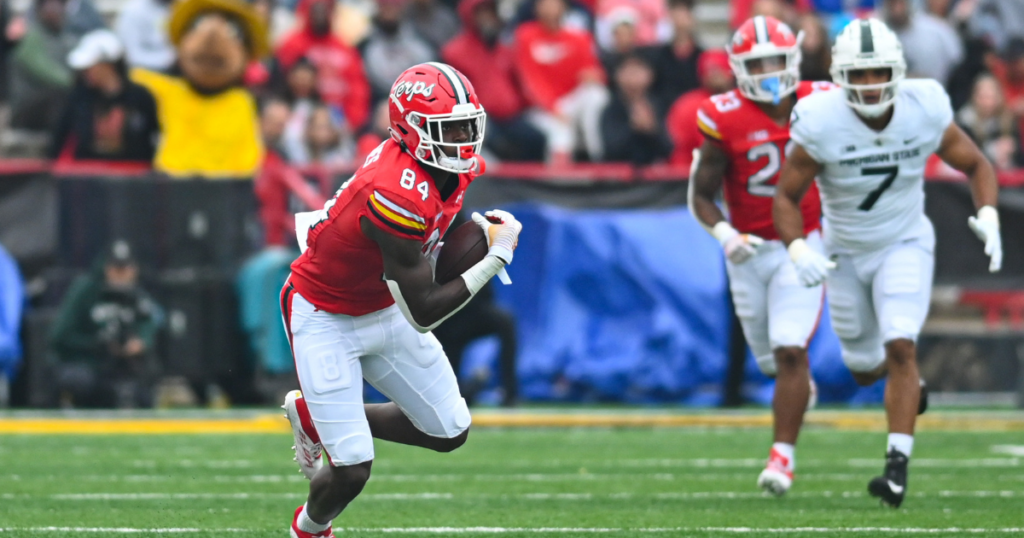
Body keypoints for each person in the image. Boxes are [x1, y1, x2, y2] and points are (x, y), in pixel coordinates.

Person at [280, 62, 522, 538]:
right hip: (326, 309)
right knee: (351, 469)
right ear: (410, 130)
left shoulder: (448, 166)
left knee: (449, 430)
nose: (463, 140)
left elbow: (433, 233)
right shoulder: (393, 192)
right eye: (449, 128)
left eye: (467, 125)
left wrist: (473, 234)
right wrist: (495, 256)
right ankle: (309, 529)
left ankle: (314, 413)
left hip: (381, 299)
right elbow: (425, 310)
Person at [773, 18, 1003, 508]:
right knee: (861, 367)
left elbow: (976, 164)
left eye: (879, 72)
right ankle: (908, 383)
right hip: (845, 252)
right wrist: (797, 248)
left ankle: (896, 469)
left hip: (904, 242)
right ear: (840, 76)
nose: (871, 84)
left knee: (901, 344)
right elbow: (786, 196)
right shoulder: (820, 119)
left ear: (897, 71)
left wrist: (987, 213)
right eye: (860, 74)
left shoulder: (924, 107)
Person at [688, 15, 833, 498]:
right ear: (738, 68)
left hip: (804, 242)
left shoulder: (821, 101)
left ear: (794, 59)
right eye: (759, 63)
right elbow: (702, 193)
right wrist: (726, 233)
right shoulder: (723, 115)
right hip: (748, 252)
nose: (769, 70)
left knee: (792, 348)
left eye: (776, 60)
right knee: (773, 362)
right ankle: (794, 389)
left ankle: (781, 460)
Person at [48, 240, 163, 409]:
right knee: (80, 381)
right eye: (116, 269)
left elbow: (153, 320)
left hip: (120, 365)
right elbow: (59, 336)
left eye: (126, 269)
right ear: (106, 267)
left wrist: (140, 342)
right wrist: (98, 344)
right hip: (86, 361)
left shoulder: (137, 295)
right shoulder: (85, 291)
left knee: (147, 378)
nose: (121, 275)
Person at [441, 0, 545, 162]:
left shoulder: (504, 49)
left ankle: (532, 186)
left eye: (490, 12)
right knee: (498, 146)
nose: (487, 18)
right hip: (479, 119)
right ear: (470, 16)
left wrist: (532, 105)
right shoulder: (455, 52)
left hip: (511, 117)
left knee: (537, 138)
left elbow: (519, 85)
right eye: (481, 12)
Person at [514, 0, 609, 164]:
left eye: (555, 3)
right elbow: (528, 80)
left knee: (597, 95)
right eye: (545, 3)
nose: (551, 8)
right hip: (540, 108)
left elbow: (595, 74)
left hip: (571, 103)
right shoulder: (525, 36)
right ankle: (559, 180)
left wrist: (594, 77)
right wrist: (553, 108)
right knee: (560, 131)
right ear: (537, 8)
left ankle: (599, 158)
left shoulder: (579, 38)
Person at [50, 29, 160, 162]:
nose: (85, 72)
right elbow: (58, 140)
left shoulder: (141, 98)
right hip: (86, 178)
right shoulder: (78, 99)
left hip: (133, 178)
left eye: (90, 66)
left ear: (108, 65)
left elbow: (155, 137)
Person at [8, 0, 75, 132]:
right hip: (26, 109)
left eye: (59, 5)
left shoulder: (66, 38)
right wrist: (76, 84)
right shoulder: (32, 36)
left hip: (52, 104)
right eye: (50, 6)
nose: (55, 10)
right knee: (59, 96)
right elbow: (46, 72)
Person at [665, 49, 734, 169]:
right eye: (709, 70)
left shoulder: (740, 101)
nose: (714, 75)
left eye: (718, 69)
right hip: (686, 173)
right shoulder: (689, 104)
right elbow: (708, 151)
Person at [600, 53, 672, 164]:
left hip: (656, 175)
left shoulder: (659, 105)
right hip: (620, 175)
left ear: (650, 75)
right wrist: (633, 128)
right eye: (627, 71)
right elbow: (611, 149)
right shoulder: (611, 109)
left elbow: (669, 148)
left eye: (638, 70)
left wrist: (652, 129)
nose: (632, 77)